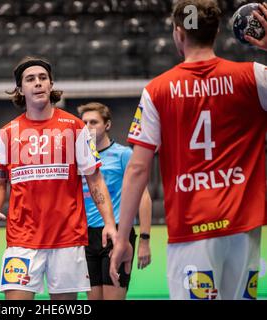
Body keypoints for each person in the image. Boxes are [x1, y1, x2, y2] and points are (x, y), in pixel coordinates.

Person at [110, 0, 267, 300]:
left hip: (191, 228)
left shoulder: (158, 90)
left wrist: (122, 237)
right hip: (244, 228)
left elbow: (138, 168)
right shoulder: (254, 77)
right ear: (218, 31)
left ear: (178, 34)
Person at [0, 56, 118, 300]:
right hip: (21, 241)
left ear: (51, 84)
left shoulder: (75, 127)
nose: (38, 83)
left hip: (67, 240)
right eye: (30, 79)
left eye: (43, 78)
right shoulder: (7, 133)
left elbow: (95, 180)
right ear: (20, 90)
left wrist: (110, 223)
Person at [77, 102, 153, 300]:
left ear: (107, 125)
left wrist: (145, 240)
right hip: (86, 237)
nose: (87, 127)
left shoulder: (123, 155)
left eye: (93, 122)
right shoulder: (80, 159)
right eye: (84, 123)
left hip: (117, 233)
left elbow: (143, 196)